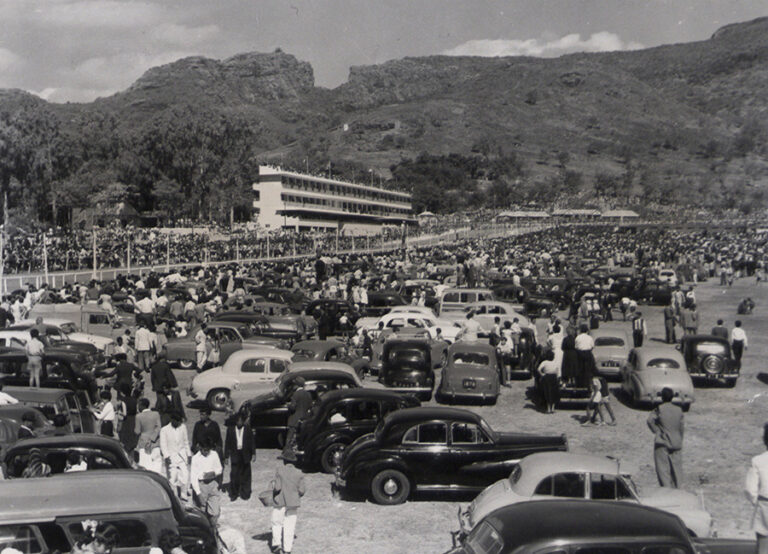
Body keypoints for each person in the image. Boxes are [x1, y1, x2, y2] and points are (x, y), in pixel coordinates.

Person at [647, 387, 684, 488]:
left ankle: (667, 492)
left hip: (662, 442)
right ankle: (679, 491)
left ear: (662, 397)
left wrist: (657, 431)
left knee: (663, 471)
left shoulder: (659, 409)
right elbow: (681, 427)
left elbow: (650, 420)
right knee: (677, 470)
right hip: (676, 442)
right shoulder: (679, 410)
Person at [271, 453, 306, 554]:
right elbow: (302, 491)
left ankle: (277, 545)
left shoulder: (280, 470)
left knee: (276, 523)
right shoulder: (299, 473)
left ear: (284, 461)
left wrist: (273, 486)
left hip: (280, 501)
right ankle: (287, 549)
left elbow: (277, 487)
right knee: (289, 526)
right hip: (292, 503)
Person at [745, 423, 768, 554]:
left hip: (765, 506)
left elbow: (750, 489)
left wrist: (756, 501)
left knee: (764, 548)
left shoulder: (758, 461)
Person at [190, 438, 223, 525]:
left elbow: (219, 468)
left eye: (208, 450)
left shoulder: (214, 454)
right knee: (201, 513)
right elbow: (193, 477)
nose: (206, 452)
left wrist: (214, 473)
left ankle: (213, 528)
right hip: (201, 486)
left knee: (215, 512)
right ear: (200, 448)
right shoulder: (195, 458)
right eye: (204, 450)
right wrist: (198, 493)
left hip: (213, 484)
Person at [160, 414, 191, 502]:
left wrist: (188, 454)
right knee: (172, 477)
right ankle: (174, 496)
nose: (179, 423)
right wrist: (166, 456)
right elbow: (163, 445)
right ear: (172, 419)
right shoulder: (164, 430)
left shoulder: (183, 427)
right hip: (171, 456)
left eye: (180, 422)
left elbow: (186, 442)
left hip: (182, 456)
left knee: (185, 474)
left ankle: (183, 493)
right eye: (177, 421)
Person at [224, 412, 255, 501]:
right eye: (238, 421)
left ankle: (245, 493)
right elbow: (227, 443)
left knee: (246, 474)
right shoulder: (230, 430)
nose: (239, 423)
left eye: (241, 421)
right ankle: (234, 493)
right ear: (235, 421)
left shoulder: (248, 429)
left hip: (245, 454)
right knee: (234, 474)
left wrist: (253, 454)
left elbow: (252, 442)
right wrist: (226, 456)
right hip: (235, 454)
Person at [283, 377, 312, 458]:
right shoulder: (308, 394)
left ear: (296, 385)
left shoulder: (296, 394)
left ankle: (288, 454)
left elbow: (293, 407)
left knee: (290, 438)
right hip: (304, 419)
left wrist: (288, 405)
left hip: (294, 419)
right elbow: (310, 406)